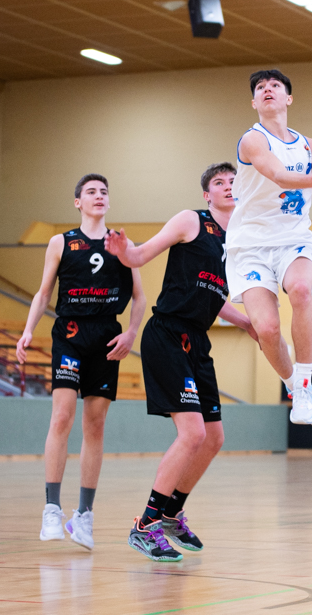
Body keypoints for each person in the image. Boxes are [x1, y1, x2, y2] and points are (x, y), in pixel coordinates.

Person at [105, 162, 259, 561]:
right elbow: (140, 254)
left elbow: (214, 294)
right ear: (208, 194)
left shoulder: (241, 237)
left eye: (233, 181)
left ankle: (172, 514)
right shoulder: (191, 221)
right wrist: (124, 252)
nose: (228, 186)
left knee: (214, 438)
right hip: (168, 334)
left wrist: (248, 323)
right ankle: (145, 525)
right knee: (192, 434)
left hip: (198, 340)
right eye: (219, 183)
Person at [16, 173, 146, 553]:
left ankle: (84, 515)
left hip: (107, 337)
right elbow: (44, 293)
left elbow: (139, 297)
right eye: (91, 191)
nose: (99, 196)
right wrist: (27, 330)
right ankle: (51, 509)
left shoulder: (123, 245)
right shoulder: (60, 242)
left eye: (104, 191)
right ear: (78, 202)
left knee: (95, 424)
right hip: (70, 334)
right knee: (61, 417)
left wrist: (131, 333)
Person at [226, 69, 312, 428]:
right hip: (250, 246)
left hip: (293, 239)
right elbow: (279, 175)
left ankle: (304, 384)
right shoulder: (252, 140)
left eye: (275, 85)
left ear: (289, 98)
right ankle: (293, 386)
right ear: (254, 102)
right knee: (267, 329)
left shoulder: (311, 145)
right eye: (260, 87)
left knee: (300, 289)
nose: (267, 89)